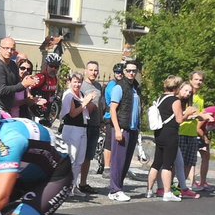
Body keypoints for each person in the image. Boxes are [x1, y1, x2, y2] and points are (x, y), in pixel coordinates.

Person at [147, 77, 193, 202]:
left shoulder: (160, 98)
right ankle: (167, 192)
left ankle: (149, 190)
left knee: (156, 163)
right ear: (177, 88)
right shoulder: (175, 100)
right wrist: (187, 113)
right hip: (170, 134)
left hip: (159, 133)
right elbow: (179, 119)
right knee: (167, 164)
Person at [107, 61, 141, 201]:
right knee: (118, 160)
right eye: (129, 70)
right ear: (124, 71)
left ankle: (118, 188)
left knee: (126, 162)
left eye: (134, 71)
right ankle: (115, 189)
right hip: (122, 127)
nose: (131, 73)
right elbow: (113, 109)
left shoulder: (136, 88)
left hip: (133, 128)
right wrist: (117, 130)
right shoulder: (119, 87)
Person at [0, 36, 39, 118]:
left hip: (8, 110)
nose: (9, 51)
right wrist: (23, 85)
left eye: (12, 49)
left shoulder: (12, 65)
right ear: (0, 49)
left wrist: (28, 81)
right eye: (6, 48)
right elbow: (1, 91)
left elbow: (17, 84)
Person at [60, 72, 92, 196]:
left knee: (79, 159)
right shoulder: (69, 95)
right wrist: (85, 103)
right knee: (71, 158)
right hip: (72, 128)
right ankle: (65, 187)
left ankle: (73, 186)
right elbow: (72, 114)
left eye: (79, 82)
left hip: (82, 128)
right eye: (75, 81)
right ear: (70, 82)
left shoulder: (81, 94)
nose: (77, 84)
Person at [79, 61, 106, 194]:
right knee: (79, 156)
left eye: (95, 70)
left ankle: (83, 183)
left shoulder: (98, 86)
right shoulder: (81, 86)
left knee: (88, 156)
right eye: (91, 70)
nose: (93, 72)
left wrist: (101, 121)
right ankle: (71, 183)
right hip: (83, 125)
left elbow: (100, 105)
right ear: (85, 71)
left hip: (95, 125)